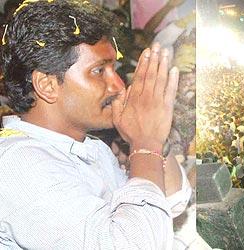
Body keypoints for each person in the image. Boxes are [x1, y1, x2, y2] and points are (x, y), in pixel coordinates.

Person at [0, 0, 191, 249]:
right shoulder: (17, 164)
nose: (118, 86)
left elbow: (171, 202)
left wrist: (154, 143)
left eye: (115, 70)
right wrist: (146, 143)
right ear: (47, 85)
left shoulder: (92, 146)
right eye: (99, 71)